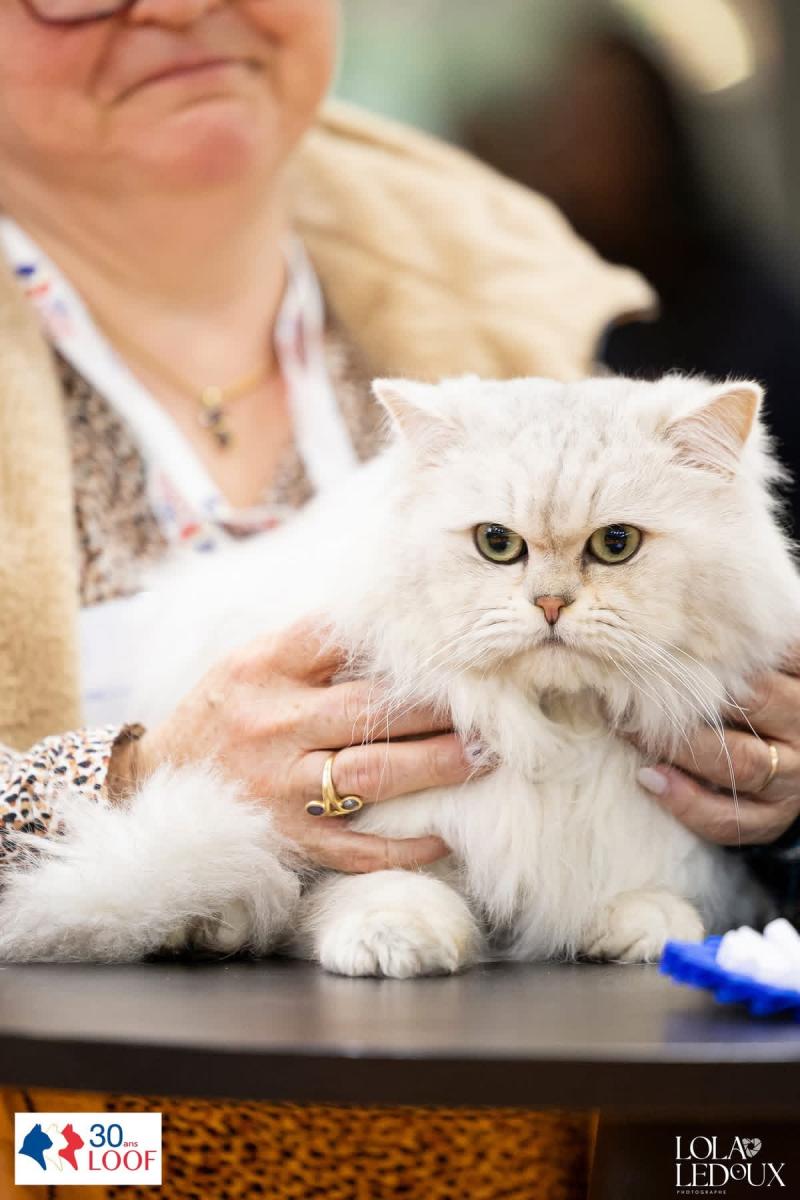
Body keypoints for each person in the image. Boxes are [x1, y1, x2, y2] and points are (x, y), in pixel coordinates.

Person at [0, 3, 792, 1199]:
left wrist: (769, 801)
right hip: (71, 1152)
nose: (175, 6)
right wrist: (133, 780)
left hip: (536, 1159)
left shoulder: (524, 273)